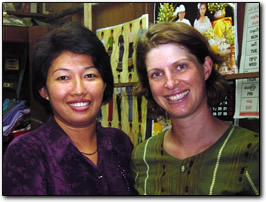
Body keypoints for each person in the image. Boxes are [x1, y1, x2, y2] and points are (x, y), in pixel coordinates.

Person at [3, 22, 136, 195]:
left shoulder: (120, 143)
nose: (79, 90)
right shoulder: (26, 153)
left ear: (104, 84)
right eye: (63, 77)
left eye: (89, 75)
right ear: (44, 91)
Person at [131, 22, 259, 195]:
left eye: (181, 67)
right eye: (157, 74)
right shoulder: (142, 156)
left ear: (205, 68)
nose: (170, 83)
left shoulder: (253, 153)